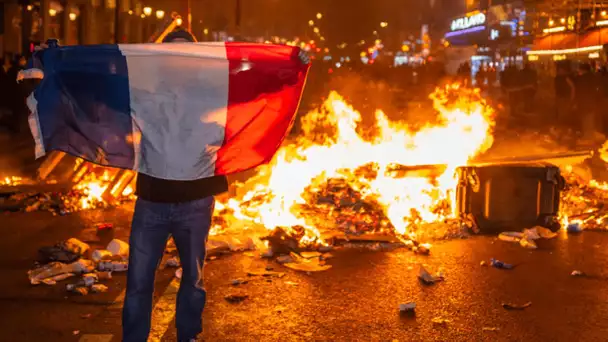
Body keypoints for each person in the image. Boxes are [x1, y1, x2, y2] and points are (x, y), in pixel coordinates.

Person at [121, 29, 228, 342]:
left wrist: (295, 61)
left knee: (193, 278)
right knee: (139, 281)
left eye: (184, 54)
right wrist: (53, 59)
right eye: (171, 54)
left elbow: (259, 86)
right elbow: (99, 87)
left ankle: (188, 335)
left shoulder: (213, 92)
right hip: (151, 202)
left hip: (196, 203)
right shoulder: (144, 92)